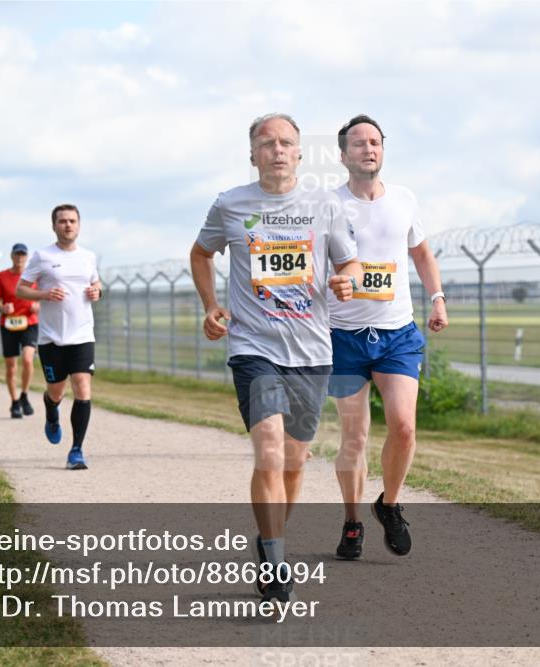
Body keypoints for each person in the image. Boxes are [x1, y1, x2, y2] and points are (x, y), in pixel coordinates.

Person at [190, 113, 361, 603]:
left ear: (300, 153)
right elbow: (201, 254)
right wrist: (210, 305)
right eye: (268, 143)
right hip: (253, 347)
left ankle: (269, 539)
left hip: (311, 351)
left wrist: (346, 280)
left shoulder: (324, 205)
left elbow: (349, 261)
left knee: (293, 460)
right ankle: (276, 557)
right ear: (253, 154)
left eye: (286, 142)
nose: (278, 150)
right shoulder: (230, 204)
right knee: (268, 450)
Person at [326, 115, 449, 561]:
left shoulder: (404, 199)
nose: (368, 149)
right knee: (354, 437)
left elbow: (421, 253)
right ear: (343, 155)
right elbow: (312, 263)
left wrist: (437, 298)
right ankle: (352, 522)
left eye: (375, 142)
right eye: (358, 143)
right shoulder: (329, 205)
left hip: (397, 332)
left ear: (383, 150)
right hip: (344, 337)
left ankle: (389, 505)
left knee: (404, 426)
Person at [16, 205, 101, 470]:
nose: (68, 225)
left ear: (79, 225)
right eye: (62, 221)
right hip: (52, 338)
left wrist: (97, 291)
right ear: (54, 226)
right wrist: (44, 294)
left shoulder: (88, 257)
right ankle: (51, 410)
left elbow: (96, 283)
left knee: (82, 387)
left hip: (82, 334)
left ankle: (76, 451)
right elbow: (21, 289)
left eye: (72, 221)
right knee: (56, 391)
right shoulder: (43, 256)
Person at [0, 243, 40, 418]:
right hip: (9, 324)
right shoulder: (2, 276)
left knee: (27, 359)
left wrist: (37, 305)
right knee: (11, 366)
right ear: (12, 256)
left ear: (26, 257)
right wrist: (3, 307)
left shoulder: (33, 276)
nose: (19, 258)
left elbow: (41, 297)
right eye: (17, 254)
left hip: (29, 323)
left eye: (22, 255)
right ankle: (15, 402)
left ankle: (25, 394)